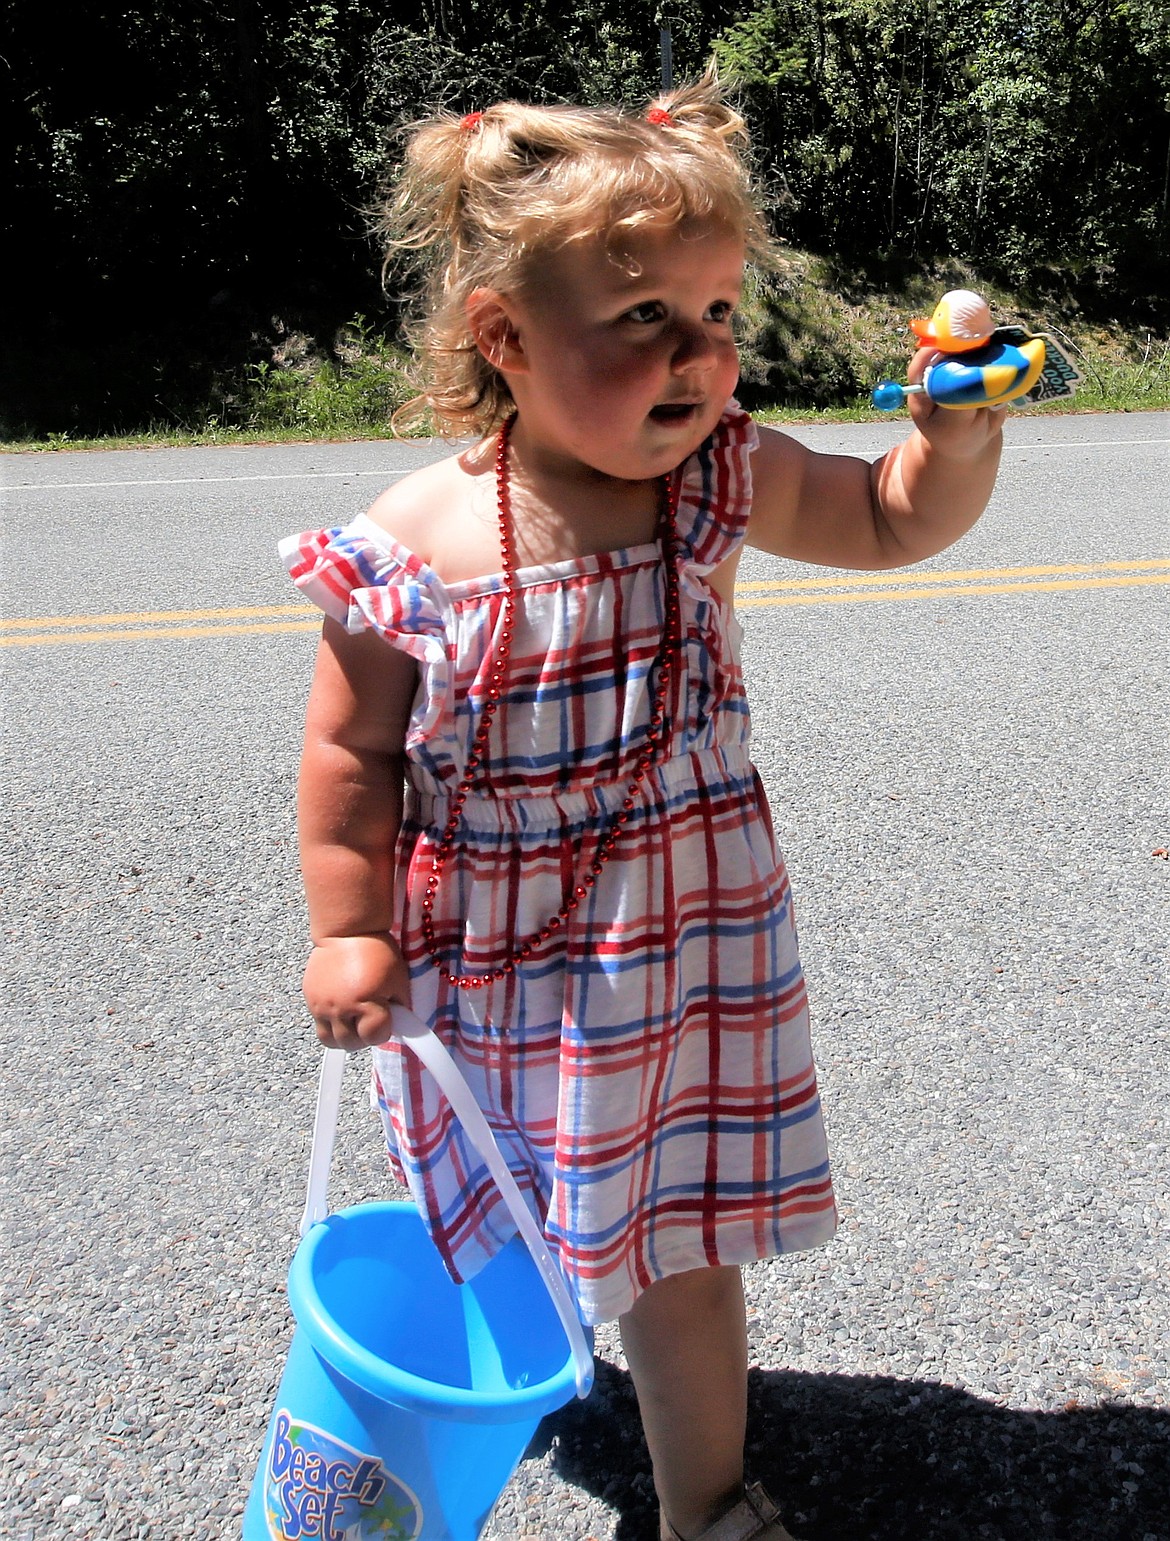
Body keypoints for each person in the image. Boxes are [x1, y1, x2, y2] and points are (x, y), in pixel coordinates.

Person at [281, 73, 1005, 1541]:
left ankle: (700, 1501)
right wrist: (348, 931)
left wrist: (956, 439)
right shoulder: (415, 542)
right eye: (643, 323)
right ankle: (467, 1407)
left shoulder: (716, 479)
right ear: (504, 336)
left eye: (720, 315)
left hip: (678, 939)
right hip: (490, 954)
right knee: (504, 1214)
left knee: (676, 1246)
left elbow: (882, 517)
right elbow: (353, 755)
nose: (700, 359)